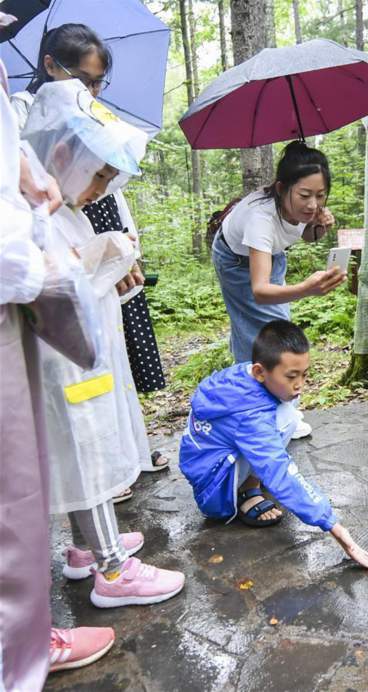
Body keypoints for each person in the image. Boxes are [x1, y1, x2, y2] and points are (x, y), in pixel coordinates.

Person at [21, 78, 185, 608]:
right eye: (98, 178)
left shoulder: (59, 206)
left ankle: (82, 549)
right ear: (64, 155)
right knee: (84, 451)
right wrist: (102, 259)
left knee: (80, 451)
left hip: (76, 359)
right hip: (60, 364)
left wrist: (105, 255)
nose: (99, 192)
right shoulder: (30, 212)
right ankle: (113, 570)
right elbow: (47, 289)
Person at [11, 23, 168, 489]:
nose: (92, 90)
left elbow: (106, 191)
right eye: (84, 79)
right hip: (59, 238)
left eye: (99, 82)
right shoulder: (22, 115)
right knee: (81, 376)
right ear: (50, 66)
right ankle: (99, 487)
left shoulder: (92, 119)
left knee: (117, 359)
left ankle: (129, 454)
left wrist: (121, 244)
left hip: (92, 227)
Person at [0, 50, 113, 688]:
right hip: (19, 286)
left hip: (28, 288)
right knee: (19, 486)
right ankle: (21, 647)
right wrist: (32, 263)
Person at [179, 320, 368, 569]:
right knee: (285, 420)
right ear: (260, 372)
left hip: (211, 464)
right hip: (215, 490)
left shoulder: (243, 377)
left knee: (287, 414)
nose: (300, 384)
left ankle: (250, 481)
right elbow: (280, 470)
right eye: (291, 376)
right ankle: (246, 493)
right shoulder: (249, 416)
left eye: (304, 374)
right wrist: (336, 529)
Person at [212, 141, 347, 439]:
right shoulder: (260, 218)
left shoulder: (304, 208)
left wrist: (318, 228)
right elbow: (260, 290)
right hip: (236, 261)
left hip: (270, 255)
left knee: (271, 330)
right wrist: (306, 289)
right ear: (281, 187)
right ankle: (265, 414)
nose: (312, 204)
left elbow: (306, 235)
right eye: (304, 195)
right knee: (264, 335)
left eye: (320, 195)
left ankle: (273, 405)